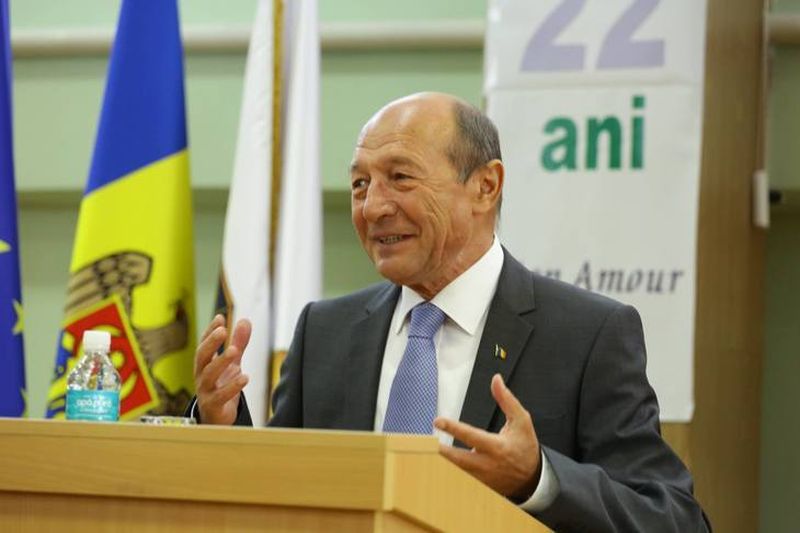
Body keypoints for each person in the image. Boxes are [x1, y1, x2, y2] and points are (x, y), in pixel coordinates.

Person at [188, 92, 710, 531]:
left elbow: (674, 518)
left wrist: (538, 479)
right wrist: (220, 424)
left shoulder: (587, 335)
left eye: (400, 177)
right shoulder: (326, 331)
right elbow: (281, 494)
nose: (373, 207)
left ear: (486, 186)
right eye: (360, 184)